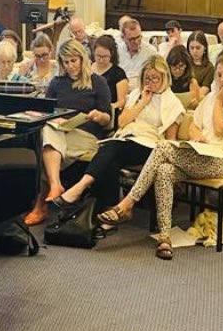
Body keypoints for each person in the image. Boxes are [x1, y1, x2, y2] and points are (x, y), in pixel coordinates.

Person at [98, 53, 223, 260]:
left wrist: (219, 100)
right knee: (164, 170)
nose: (222, 79)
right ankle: (164, 237)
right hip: (200, 154)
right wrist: (197, 135)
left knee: (164, 147)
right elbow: (194, 124)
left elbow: (219, 129)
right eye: (218, 75)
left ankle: (128, 203)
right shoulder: (210, 99)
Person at [52, 56, 184, 233]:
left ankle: (80, 187)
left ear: (164, 78)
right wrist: (143, 102)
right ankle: (111, 212)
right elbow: (122, 122)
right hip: (128, 138)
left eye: (155, 78)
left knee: (112, 148)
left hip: (152, 145)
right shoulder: (137, 95)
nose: (151, 82)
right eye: (147, 78)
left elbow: (170, 139)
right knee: (110, 157)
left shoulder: (172, 102)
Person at [25, 40, 112, 226]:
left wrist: (98, 115)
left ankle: (41, 204)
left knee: (44, 147)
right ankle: (55, 185)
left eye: (74, 61)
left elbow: (108, 121)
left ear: (82, 59)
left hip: (86, 135)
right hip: (60, 132)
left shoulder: (98, 82)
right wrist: (55, 118)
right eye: (66, 62)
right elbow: (46, 111)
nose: (71, 66)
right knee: (48, 130)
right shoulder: (57, 82)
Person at [90, 34, 128, 121]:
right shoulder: (87, 68)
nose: (101, 59)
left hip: (106, 113)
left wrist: (109, 107)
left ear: (111, 54)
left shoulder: (118, 73)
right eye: (98, 56)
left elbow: (121, 102)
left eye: (105, 57)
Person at [117, 18, 158, 92]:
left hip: (142, 93)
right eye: (131, 39)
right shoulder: (117, 51)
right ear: (123, 38)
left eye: (138, 37)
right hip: (119, 92)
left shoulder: (151, 52)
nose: (136, 42)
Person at [186, 30, 214, 98]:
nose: (194, 51)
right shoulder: (184, 63)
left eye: (198, 48)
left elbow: (202, 93)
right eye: (192, 48)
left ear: (204, 48)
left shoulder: (209, 68)